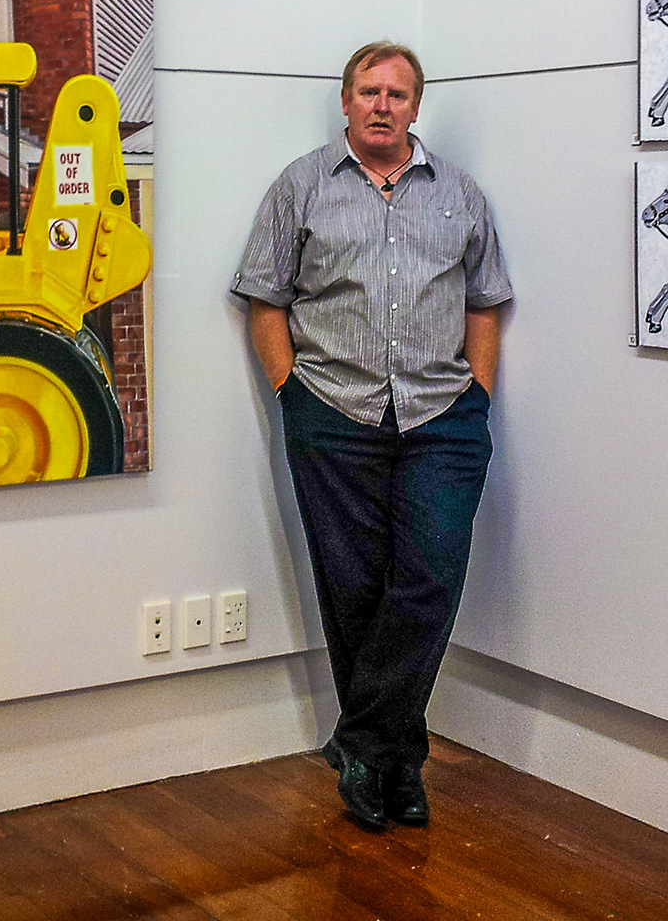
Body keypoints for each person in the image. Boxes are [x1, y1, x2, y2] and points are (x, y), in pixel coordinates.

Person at [231, 41, 511, 830]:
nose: (382, 105)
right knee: (353, 586)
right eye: (368, 91)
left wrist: (478, 399)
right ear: (346, 100)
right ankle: (396, 763)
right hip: (333, 413)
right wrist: (290, 393)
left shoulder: (460, 193)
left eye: (397, 93)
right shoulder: (301, 187)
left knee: (429, 579)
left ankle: (360, 743)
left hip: (442, 416)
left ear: (416, 107)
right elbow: (264, 299)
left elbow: (485, 302)